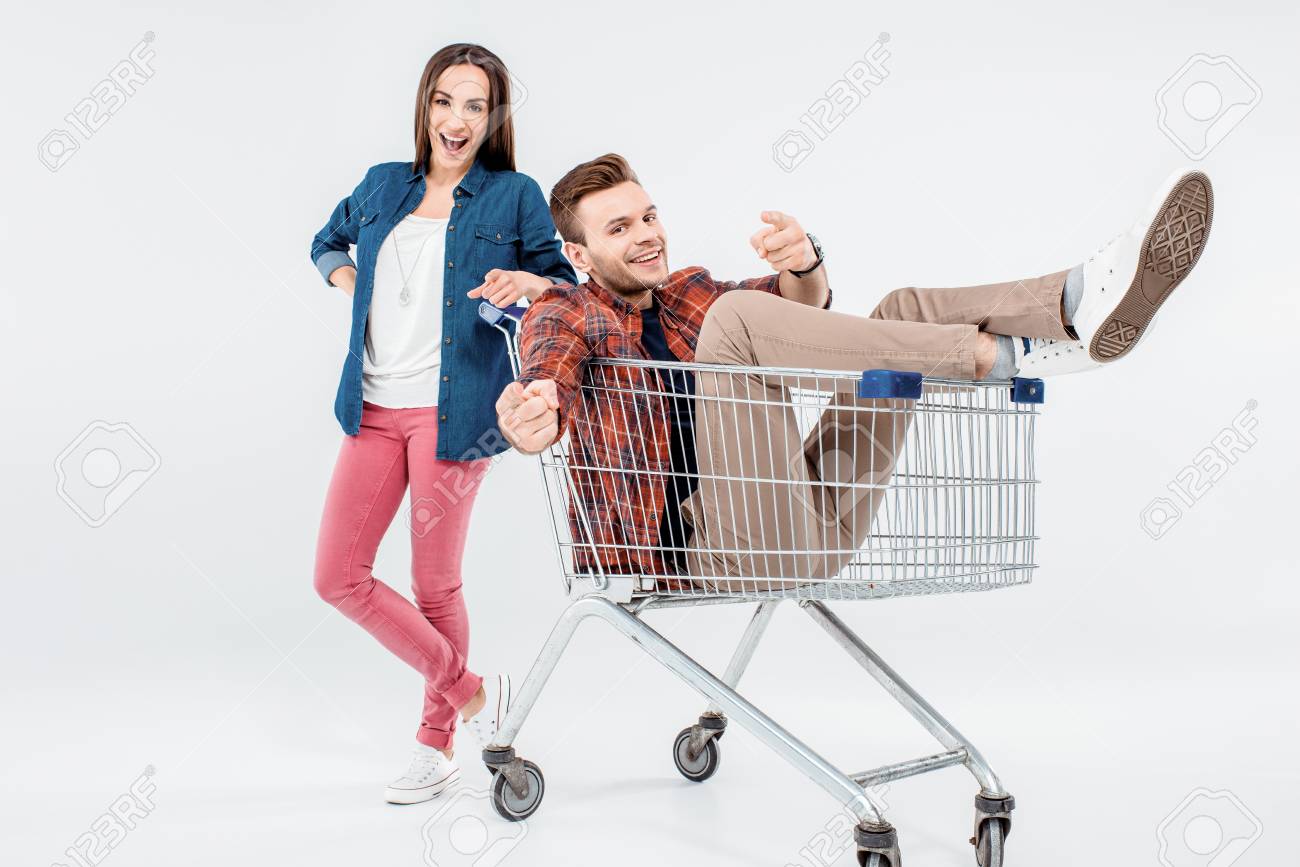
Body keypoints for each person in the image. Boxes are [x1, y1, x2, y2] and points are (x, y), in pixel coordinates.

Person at [494, 153, 1213, 583]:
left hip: (812, 525)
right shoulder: (566, 308)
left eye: (648, 216)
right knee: (737, 324)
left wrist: (804, 260)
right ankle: (1011, 355)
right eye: (620, 228)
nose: (647, 235)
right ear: (580, 255)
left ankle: (1071, 302)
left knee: (899, 308)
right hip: (701, 549)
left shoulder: (687, 291)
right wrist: (533, 415)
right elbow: (546, 374)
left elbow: (801, 308)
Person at [309, 44, 576, 805]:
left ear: (492, 119)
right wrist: (348, 275)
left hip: (455, 413)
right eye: (444, 101)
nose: (456, 120)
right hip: (371, 407)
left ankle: (436, 743)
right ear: (424, 107)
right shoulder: (381, 185)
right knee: (337, 576)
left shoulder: (511, 195)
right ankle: (464, 685)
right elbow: (325, 238)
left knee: (434, 583)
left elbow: (564, 284)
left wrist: (529, 278)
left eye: (474, 105)